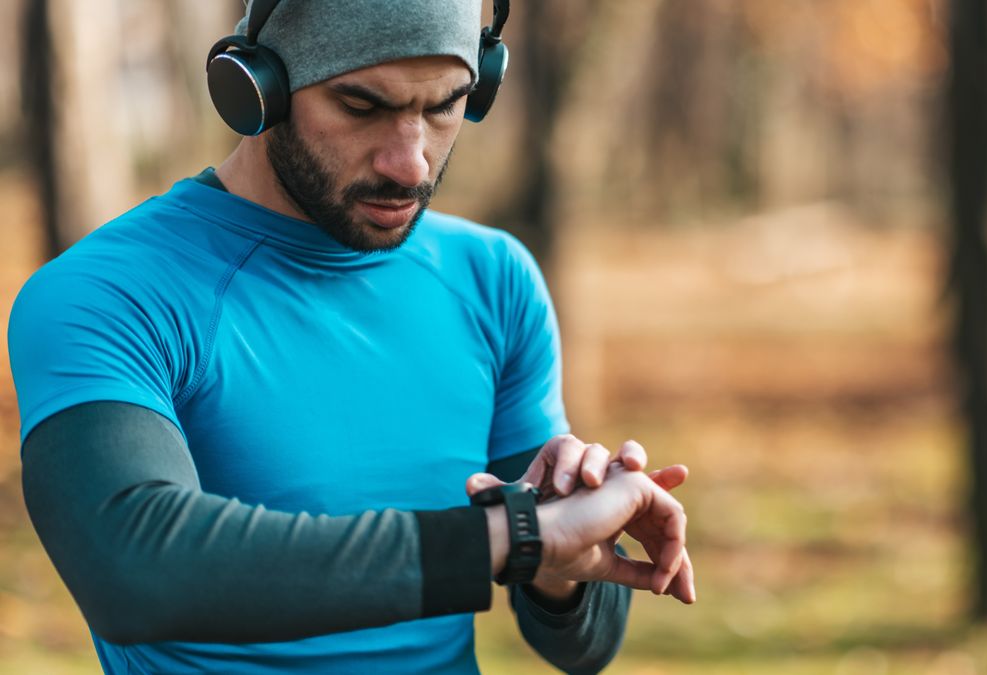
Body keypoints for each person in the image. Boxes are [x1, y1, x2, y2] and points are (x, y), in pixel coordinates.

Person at [5, 1, 694, 673]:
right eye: (362, 106)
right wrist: (509, 535)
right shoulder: (108, 292)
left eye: (444, 105)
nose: (411, 163)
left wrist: (566, 548)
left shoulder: (493, 279)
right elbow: (137, 571)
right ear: (259, 91)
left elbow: (583, 644)